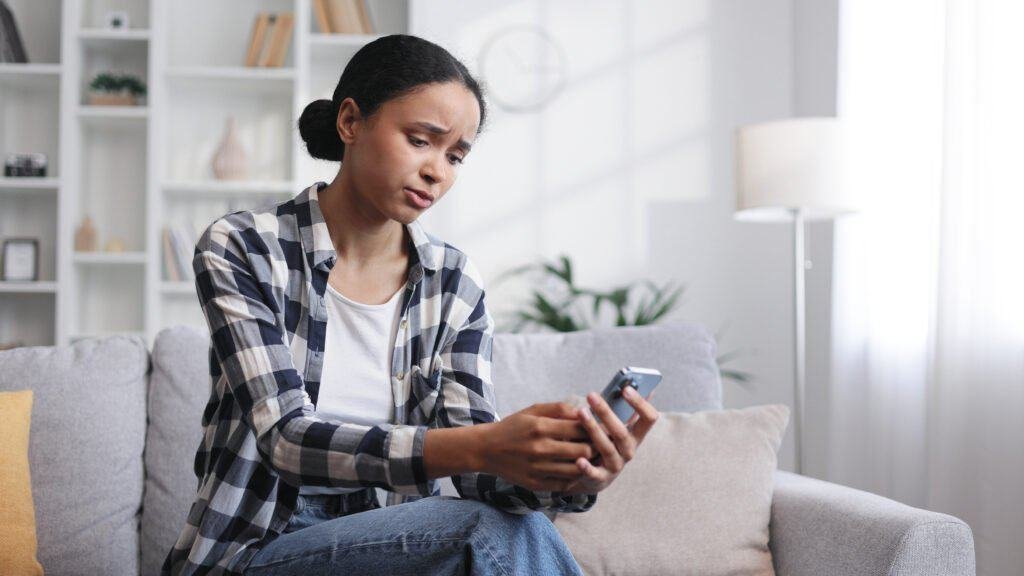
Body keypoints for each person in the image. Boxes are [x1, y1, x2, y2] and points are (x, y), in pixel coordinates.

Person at [162, 34, 660, 576]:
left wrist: (566, 479)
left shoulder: (452, 282)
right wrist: (485, 443)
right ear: (351, 123)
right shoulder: (243, 246)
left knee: (509, 526)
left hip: (392, 547)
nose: (437, 171)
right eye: (421, 140)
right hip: (257, 549)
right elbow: (285, 439)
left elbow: (480, 479)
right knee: (479, 530)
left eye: (455, 156)